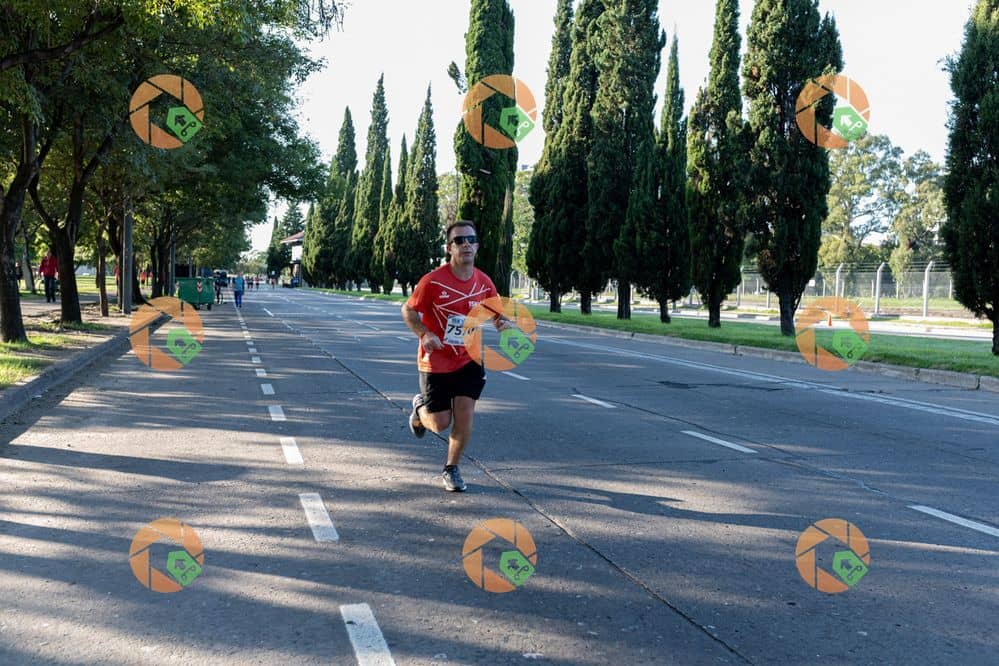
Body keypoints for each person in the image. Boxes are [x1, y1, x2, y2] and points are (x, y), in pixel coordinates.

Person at [401, 220, 514, 492]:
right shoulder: (432, 281)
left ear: (477, 246)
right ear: (449, 248)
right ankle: (419, 411)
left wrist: (502, 322)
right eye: (459, 240)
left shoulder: (483, 282)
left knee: (465, 415)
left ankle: (451, 468)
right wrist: (425, 334)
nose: (466, 245)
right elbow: (408, 310)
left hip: (469, 358)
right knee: (440, 423)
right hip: (436, 360)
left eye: (471, 240)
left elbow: (496, 312)